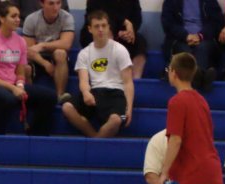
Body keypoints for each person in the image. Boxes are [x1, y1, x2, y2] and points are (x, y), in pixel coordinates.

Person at [159, 52, 221, 184]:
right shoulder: (201, 100)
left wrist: (164, 171)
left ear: (173, 73)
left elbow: (176, 139)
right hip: (208, 169)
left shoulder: (177, 102)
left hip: (195, 172)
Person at [0, 1, 56, 137]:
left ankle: (35, 136)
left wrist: (20, 86)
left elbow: (20, 71)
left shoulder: (20, 41)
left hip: (11, 86)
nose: (18, 19)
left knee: (50, 97)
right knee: (8, 99)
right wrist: (13, 88)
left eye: (18, 16)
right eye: (13, 16)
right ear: (2, 18)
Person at [61, 10, 133, 140]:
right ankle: (94, 137)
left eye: (104, 25)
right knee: (67, 107)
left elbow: (128, 82)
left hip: (116, 94)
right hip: (94, 92)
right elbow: (83, 81)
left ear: (108, 27)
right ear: (90, 29)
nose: (100, 29)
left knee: (117, 120)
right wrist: (86, 93)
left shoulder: (120, 50)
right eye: (96, 26)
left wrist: (129, 108)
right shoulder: (84, 53)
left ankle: (94, 143)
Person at [159, 0, 223, 90]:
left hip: (204, 39)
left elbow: (216, 22)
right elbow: (168, 24)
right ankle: (202, 78)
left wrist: (200, 36)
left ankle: (197, 76)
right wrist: (185, 36)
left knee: (203, 48)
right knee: (184, 51)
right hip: (180, 40)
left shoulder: (210, 1)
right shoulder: (171, 2)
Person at [22, 0, 75, 105]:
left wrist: (42, 45)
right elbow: (30, 50)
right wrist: (45, 63)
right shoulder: (31, 19)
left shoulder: (67, 17)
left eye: (58, 3)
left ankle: (60, 95)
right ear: (42, 4)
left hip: (56, 56)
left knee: (60, 53)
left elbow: (66, 44)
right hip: (37, 58)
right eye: (51, 3)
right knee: (26, 67)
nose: (55, 8)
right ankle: (29, 99)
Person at [78, 0, 145, 79]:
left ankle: (135, 79)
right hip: (98, 30)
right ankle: (102, 77)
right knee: (105, 35)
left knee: (140, 42)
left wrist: (129, 32)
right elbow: (97, 15)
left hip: (123, 33)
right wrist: (123, 22)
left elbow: (137, 17)